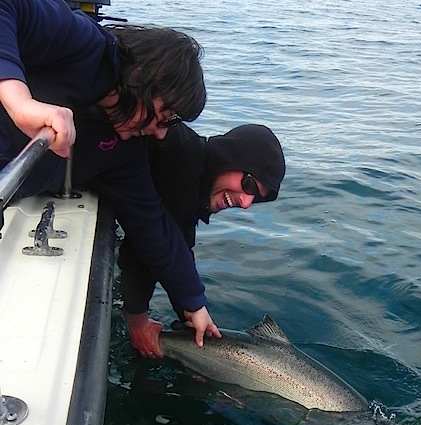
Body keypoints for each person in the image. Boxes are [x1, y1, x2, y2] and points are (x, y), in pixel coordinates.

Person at [0, 0, 221, 347]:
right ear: (141, 78)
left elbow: (150, 221)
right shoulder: (85, 45)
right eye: (164, 118)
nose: (160, 134)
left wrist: (193, 301)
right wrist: (19, 102)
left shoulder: (124, 151)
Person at [118, 122, 286, 357]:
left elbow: (179, 248)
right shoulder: (181, 162)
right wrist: (138, 323)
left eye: (256, 198)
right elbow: (146, 243)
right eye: (248, 184)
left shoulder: (194, 187)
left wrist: (190, 316)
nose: (246, 203)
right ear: (230, 157)